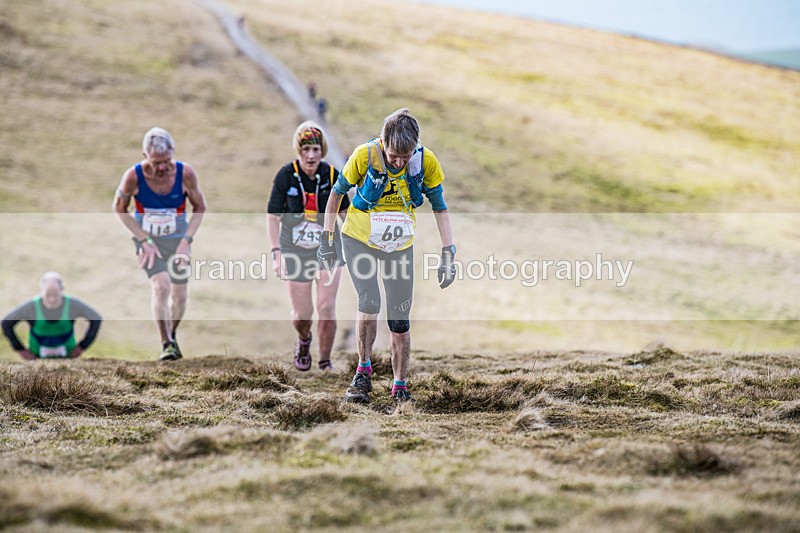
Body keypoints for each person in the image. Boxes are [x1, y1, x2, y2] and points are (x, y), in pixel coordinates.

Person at [318, 108, 457, 403]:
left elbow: (440, 206)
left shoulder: (424, 162)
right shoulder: (365, 155)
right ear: (383, 142)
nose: (398, 162)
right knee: (370, 302)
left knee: (400, 319)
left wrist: (449, 252)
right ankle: (363, 373)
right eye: (393, 155)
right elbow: (336, 194)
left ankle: (400, 385)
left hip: (398, 246)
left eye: (405, 157)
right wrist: (327, 239)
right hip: (359, 239)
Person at [113, 127, 207, 361]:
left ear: (173, 153)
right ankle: (166, 343)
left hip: (178, 241)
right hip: (149, 242)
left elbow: (200, 207)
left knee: (179, 296)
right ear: (145, 156)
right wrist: (143, 239)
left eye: (166, 161)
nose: (162, 167)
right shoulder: (133, 177)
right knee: (161, 285)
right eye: (156, 162)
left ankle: (172, 333)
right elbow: (119, 208)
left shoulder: (185, 174)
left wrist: (186, 241)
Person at [268, 121, 350, 371]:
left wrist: (359, 247)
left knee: (327, 306)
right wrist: (276, 253)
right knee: (302, 314)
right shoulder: (286, 175)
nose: (311, 155)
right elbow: (273, 217)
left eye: (315, 149)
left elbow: (346, 215)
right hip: (295, 250)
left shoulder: (333, 176)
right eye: (306, 150)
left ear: (322, 150)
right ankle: (304, 339)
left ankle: (325, 362)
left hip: (328, 250)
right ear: (298, 151)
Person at [2, 272, 102, 360]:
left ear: (62, 290)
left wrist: (82, 346)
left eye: (55, 295)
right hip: (36, 359)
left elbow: (96, 318)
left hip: (68, 359)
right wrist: (20, 349)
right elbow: (6, 323)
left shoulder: (73, 305)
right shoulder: (30, 307)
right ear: (41, 290)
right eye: (48, 295)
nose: (52, 299)